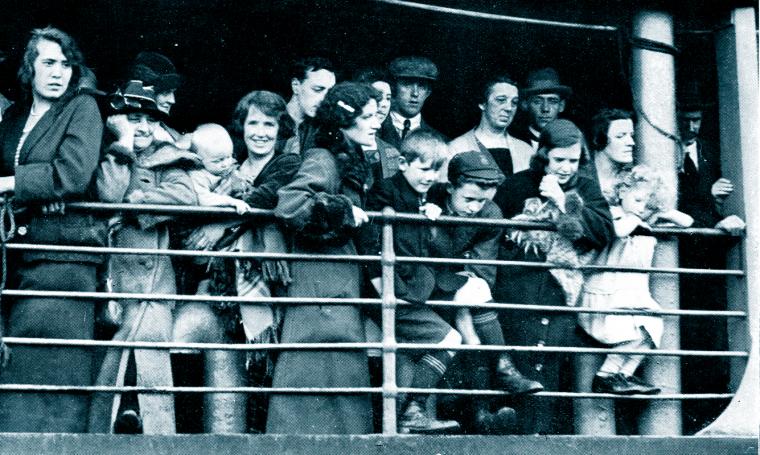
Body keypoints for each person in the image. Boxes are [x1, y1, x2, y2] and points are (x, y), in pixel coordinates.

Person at [174, 90, 300, 433]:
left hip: (265, 286)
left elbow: (268, 196)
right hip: (221, 286)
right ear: (241, 127)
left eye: (269, 124)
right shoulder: (229, 166)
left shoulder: (286, 163)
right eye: (253, 123)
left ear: (280, 129)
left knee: (260, 371)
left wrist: (220, 223)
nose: (260, 132)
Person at [0, 27, 104, 433]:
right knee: (16, 374)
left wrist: (13, 185)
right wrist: (36, 186)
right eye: (48, 63)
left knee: (52, 375)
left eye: (66, 64)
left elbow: (73, 174)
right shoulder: (13, 117)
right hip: (19, 255)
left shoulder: (83, 108)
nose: (59, 72)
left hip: (63, 258)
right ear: (30, 68)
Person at [267, 82, 380, 434]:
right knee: (317, 372)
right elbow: (290, 204)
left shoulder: (351, 157)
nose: (376, 122)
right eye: (368, 116)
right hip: (320, 281)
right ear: (346, 122)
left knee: (334, 372)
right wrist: (343, 210)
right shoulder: (324, 158)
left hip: (333, 280)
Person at [89, 80, 199, 434]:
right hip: (113, 281)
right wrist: (120, 143)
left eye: (151, 119)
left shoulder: (169, 158)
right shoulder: (108, 152)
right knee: (108, 359)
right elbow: (107, 192)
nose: (145, 127)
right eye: (134, 117)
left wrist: (133, 203)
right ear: (117, 121)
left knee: (151, 354)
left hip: (154, 284)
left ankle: (149, 427)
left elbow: (185, 197)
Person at [493, 119, 614, 434]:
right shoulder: (516, 185)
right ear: (543, 154)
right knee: (516, 373)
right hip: (517, 293)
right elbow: (492, 231)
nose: (566, 167)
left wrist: (562, 200)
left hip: (560, 296)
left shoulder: (586, 187)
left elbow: (604, 232)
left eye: (573, 161)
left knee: (548, 375)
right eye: (559, 159)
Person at [424, 151, 542, 435]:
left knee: (472, 323)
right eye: (469, 199)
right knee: (472, 312)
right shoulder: (430, 198)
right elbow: (425, 256)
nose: (476, 207)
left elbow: (482, 269)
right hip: (426, 285)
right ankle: (503, 371)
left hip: (464, 290)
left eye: (482, 200)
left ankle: (482, 410)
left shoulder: (491, 213)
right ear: (450, 187)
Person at [362, 129, 462, 434]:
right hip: (391, 289)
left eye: (435, 169)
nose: (430, 176)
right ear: (403, 163)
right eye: (424, 168)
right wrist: (379, 281)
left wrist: (430, 212)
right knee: (450, 339)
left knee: (439, 343)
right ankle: (413, 411)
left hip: (409, 288)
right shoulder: (385, 191)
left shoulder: (420, 195)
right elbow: (368, 238)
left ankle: (410, 413)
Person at [579, 165, 693, 396]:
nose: (641, 207)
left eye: (646, 203)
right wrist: (636, 217)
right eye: (637, 199)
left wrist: (663, 212)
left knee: (651, 329)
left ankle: (623, 375)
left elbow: (687, 222)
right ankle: (606, 376)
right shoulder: (612, 214)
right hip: (606, 292)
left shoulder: (643, 219)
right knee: (632, 334)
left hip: (633, 293)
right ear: (622, 192)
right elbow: (619, 231)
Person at [675, 85, 746, 432]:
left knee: (710, 335)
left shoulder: (711, 152)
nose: (691, 127)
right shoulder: (661, 151)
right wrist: (708, 193)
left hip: (709, 259)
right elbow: (674, 203)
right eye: (685, 119)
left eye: (697, 119)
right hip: (678, 258)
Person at [448, 74, 534, 179]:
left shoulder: (526, 150)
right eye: (501, 100)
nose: (509, 108)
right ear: (482, 103)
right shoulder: (456, 148)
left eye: (514, 102)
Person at [378, 56, 444, 149]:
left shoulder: (440, 142)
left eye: (421, 86)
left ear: (428, 92)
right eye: (407, 84)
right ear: (393, 88)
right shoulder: (372, 131)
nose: (415, 93)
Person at [186, 123, 251, 214]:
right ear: (198, 160)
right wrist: (232, 202)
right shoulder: (197, 176)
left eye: (229, 157)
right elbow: (203, 200)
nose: (225, 164)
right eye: (217, 161)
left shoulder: (229, 168)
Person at [354, 67, 400, 182]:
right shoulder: (345, 142)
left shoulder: (391, 151)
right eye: (378, 96)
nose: (384, 104)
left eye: (388, 98)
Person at [282, 56, 336, 154]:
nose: (324, 99)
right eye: (318, 90)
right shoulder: (270, 121)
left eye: (329, 92)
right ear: (296, 85)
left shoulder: (324, 130)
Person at [127, 51, 184, 144]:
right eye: (166, 93)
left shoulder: (167, 131)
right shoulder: (130, 131)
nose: (172, 100)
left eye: (173, 93)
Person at [509, 68, 572, 151]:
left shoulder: (572, 143)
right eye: (537, 101)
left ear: (561, 106)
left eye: (552, 101)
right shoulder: (512, 142)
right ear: (524, 104)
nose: (545, 109)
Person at [587, 108, 636, 201]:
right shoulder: (581, 176)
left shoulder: (635, 178)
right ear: (599, 139)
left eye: (631, 136)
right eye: (620, 136)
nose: (631, 142)